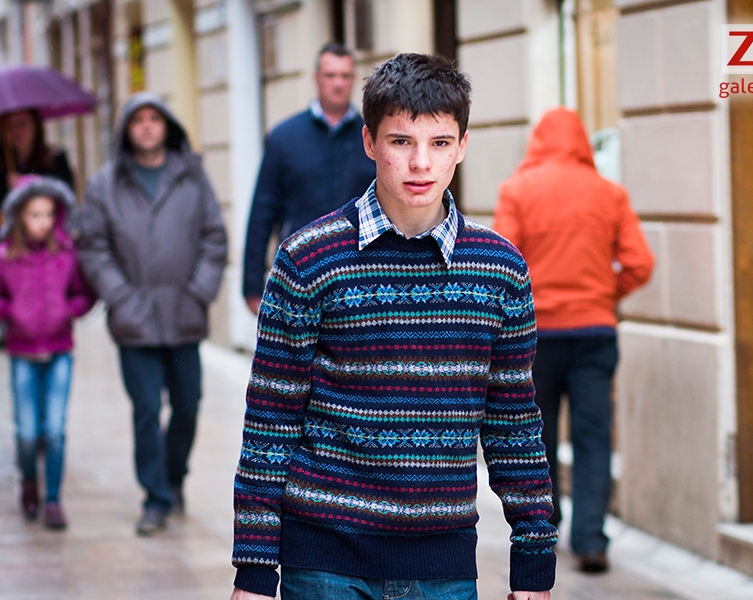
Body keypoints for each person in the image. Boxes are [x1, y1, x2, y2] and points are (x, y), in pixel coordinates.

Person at [230, 53, 556, 600]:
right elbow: (271, 418)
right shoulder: (307, 260)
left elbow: (512, 421)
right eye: (401, 141)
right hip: (324, 561)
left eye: (440, 143)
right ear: (369, 142)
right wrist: (255, 570)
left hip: (444, 566)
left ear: (462, 146)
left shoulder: (500, 269)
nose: (420, 163)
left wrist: (534, 555)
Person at [493, 107, 655, 574]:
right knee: (593, 437)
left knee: (535, 436)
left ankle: (545, 524)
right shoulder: (609, 193)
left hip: (536, 338)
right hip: (594, 334)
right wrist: (604, 293)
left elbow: (502, 262)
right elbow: (640, 263)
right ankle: (590, 540)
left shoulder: (518, 190)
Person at [77, 92, 228, 536]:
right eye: (137, 119)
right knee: (145, 409)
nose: (146, 126)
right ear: (126, 129)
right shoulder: (106, 183)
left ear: (166, 127)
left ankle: (174, 478)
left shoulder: (192, 176)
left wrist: (199, 291)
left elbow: (214, 237)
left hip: (183, 313)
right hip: (134, 318)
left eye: (154, 119)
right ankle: (155, 497)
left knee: (187, 407)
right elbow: (93, 246)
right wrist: (120, 296)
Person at [0, 175, 95, 529]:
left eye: (48, 214)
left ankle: (53, 499)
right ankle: (29, 480)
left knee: (54, 430)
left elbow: (85, 293)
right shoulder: (3, 257)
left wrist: (68, 310)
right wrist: (11, 312)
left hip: (59, 351)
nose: (42, 222)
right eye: (34, 214)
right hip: (23, 354)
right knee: (28, 432)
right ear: (19, 217)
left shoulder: (66, 254)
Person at [242, 42, 375, 315]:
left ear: (353, 80)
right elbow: (263, 210)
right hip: (301, 273)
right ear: (316, 78)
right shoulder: (284, 137)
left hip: (361, 276)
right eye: (330, 75)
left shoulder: (372, 137)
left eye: (345, 76)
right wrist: (252, 285)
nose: (338, 83)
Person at [0, 109, 74, 265]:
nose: (16, 131)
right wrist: (4, 191)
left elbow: (66, 203)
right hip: (3, 253)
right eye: (9, 126)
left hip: (49, 252)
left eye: (22, 124)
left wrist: (29, 185)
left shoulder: (54, 160)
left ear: (35, 126)